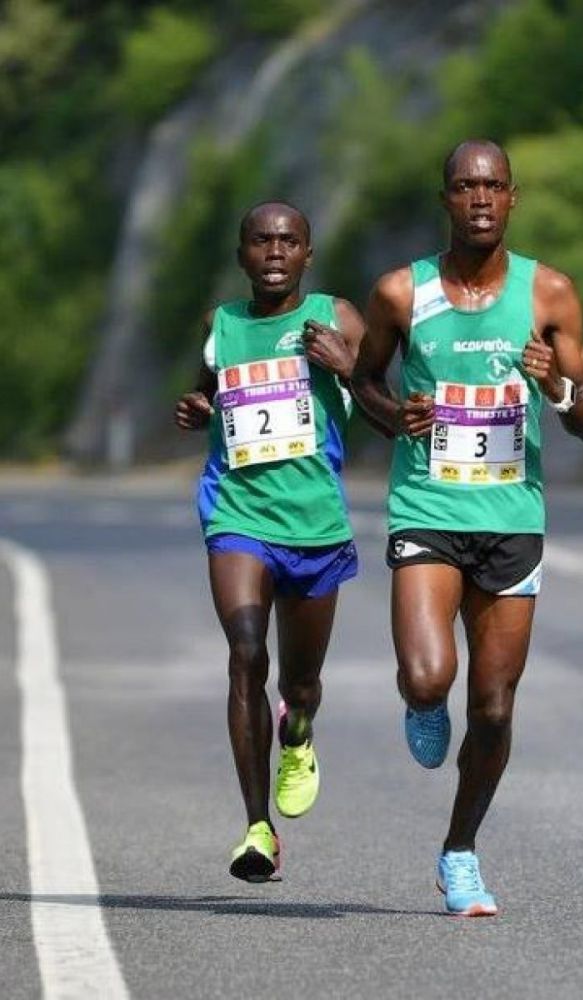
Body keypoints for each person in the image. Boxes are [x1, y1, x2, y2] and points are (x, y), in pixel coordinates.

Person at [351, 139, 583, 916]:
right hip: (428, 506)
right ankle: (422, 700)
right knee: (432, 677)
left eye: (493, 186)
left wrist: (555, 385)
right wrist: (399, 416)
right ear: (447, 200)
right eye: (465, 187)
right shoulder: (401, 292)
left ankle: (459, 851)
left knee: (493, 706)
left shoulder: (549, 294)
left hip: (511, 518)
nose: (481, 199)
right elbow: (365, 380)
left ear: (513, 198)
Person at [174, 201, 364, 882]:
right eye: (261, 241)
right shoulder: (219, 327)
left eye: (289, 241)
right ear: (242, 255)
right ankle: (258, 828)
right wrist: (196, 411)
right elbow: (206, 398)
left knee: (301, 681)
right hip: (237, 514)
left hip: (315, 524)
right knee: (246, 653)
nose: (275, 251)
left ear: (308, 254)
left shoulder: (335, 319)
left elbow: (386, 407)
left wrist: (345, 366)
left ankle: (301, 729)